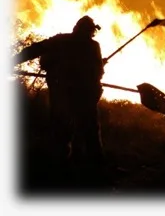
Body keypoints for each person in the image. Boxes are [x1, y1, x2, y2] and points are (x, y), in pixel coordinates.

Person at [13, 15, 105, 169]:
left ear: (76, 27)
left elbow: (35, 49)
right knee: (90, 131)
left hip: (62, 92)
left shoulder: (60, 40)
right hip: (85, 96)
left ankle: (58, 166)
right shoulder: (93, 46)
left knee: (61, 129)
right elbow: (98, 72)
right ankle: (94, 168)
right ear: (91, 31)